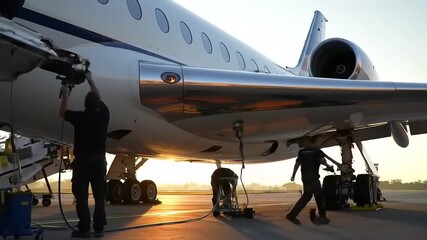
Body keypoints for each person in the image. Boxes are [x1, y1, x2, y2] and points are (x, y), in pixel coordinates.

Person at [59, 71, 110, 238]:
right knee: (99, 196)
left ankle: (84, 228)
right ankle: (99, 228)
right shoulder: (104, 115)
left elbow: (62, 112)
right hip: (99, 162)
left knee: (81, 196)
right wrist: (91, 81)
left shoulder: (80, 117)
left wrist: (65, 95)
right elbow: (97, 95)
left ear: (85, 104)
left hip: (82, 162)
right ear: (97, 104)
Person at [286, 142, 334, 225]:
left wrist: (293, 175)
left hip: (305, 178)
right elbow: (322, 160)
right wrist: (329, 167)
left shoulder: (302, 152)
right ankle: (322, 217)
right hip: (313, 178)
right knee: (319, 196)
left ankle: (292, 215)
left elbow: (297, 164)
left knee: (307, 196)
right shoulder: (317, 151)